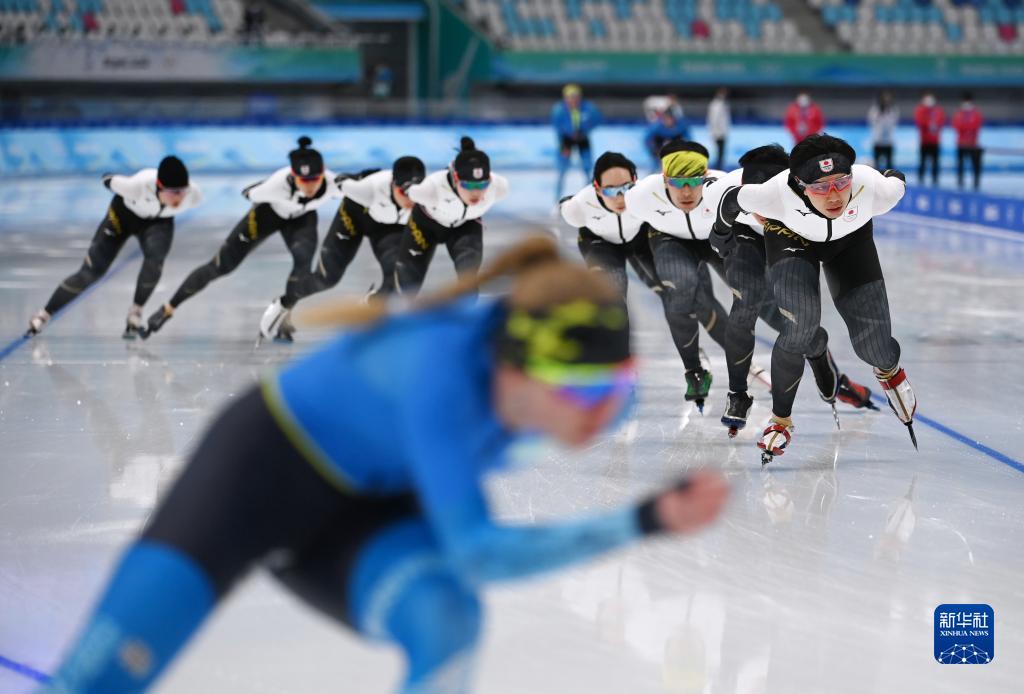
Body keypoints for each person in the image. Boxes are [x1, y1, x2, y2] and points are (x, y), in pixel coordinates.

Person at [41, 237, 730, 694]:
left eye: (613, 388)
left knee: (447, 619)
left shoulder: (587, 390)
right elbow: (480, 553)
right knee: (98, 681)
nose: (598, 414)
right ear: (515, 371)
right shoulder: (440, 378)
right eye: (578, 392)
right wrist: (644, 520)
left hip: (369, 504)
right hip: (257, 475)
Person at [710, 133, 918, 463]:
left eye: (841, 183)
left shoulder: (873, 188)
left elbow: (896, 180)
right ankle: (780, 420)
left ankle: (890, 370)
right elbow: (730, 200)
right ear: (800, 184)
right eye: (820, 187)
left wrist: (890, 175)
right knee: (800, 325)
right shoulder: (774, 193)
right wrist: (720, 235)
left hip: (850, 241)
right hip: (791, 238)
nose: (834, 195)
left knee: (873, 347)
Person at [700, 144, 876, 436]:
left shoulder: (803, 196)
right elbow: (706, 191)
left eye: (764, 200)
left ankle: (825, 366)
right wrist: (719, 232)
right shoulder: (722, 192)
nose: (761, 211)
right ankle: (737, 394)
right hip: (743, 234)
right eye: (753, 200)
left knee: (798, 326)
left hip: (788, 232)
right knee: (745, 300)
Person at [560, 151, 730, 412]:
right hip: (600, 244)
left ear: (636, 183)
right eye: (611, 190)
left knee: (678, 294)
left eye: (626, 188)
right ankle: (619, 368)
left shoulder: (645, 197)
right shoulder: (579, 207)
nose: (620, 197)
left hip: (640, 239)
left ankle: (697, 366)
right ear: (596, 188)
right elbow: (566, 207)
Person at [141, 137, 341, 341]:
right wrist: (268, 191)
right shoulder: (277, 185)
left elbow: (355, 188)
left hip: (302, 218)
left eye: (315, 179)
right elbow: (248, 193)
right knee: (221, 266)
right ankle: (168, 308)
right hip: (267, 215)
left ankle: (282, 315)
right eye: (304, 180)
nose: (310, 186)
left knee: (303, 262)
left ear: (323, 173)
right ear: (293, 176)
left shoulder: (334, 184)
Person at [25, 156, 201, 339]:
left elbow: (182, 193)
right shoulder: (136, 186)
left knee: (155, 260)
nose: (180, 198)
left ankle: (136, 311)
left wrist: (178, 193)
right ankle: (44, 314)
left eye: (183, 191)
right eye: (174, 192)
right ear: (159, 185)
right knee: (91, 273)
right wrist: (115, 180)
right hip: (122, 217)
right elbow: (107, 178)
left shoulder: (193, 195)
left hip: (158, 223)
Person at [257, 156, 426, 340]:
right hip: (355, 217)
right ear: (393, 185)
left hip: (388, 228)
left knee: (399, 276)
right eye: (404, 192)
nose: (410, 200)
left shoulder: (428, 197)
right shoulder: (369, 188)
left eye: (414, 194)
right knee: (326, 278)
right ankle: (283, 304)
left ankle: (369, 307)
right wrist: (357, 177)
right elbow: (340, 180)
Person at [393, 137, 508, 298]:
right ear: (455, 178)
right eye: (468, 185)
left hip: (465, 226)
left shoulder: (498, 187)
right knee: (407, 283)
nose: (476, 192)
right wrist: (407, 188)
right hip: (426, 226)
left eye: (482, 185)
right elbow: (409, 191)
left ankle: (467, 313)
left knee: (468, 279)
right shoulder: (431, 189)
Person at [552, 83, 601, 200]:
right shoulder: (559, 110)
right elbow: (557, 126)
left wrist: (584, 130)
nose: (573, 100)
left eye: (576, 97)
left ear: (580, 97)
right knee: (562, 170)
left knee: (587, 168)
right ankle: (557, 199)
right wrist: (567, 137)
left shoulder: (588, 108)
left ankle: (590, 198)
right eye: (570, 97)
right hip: (566, 140)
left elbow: (598, 119)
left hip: (582, 139)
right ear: (565, 98)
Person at [952, 93, 983, 190]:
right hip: (961, 144)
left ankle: (976, 183)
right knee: (960, 164)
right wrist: (967, 127)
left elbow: (977, 125)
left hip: (973, 144)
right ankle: (960, 182)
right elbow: (957, 125)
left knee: (975, 164)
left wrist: (968, 128)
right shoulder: (959, 114)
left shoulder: (976, 114)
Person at [644, 106, 690, 171]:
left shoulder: (681, 126)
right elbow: (647, 140)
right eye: (665, 119)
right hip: (659, 146)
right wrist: (654, 151)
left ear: (674, 119)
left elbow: (689, 139)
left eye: (670, 119)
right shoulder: (656, 127)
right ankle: (656, 168)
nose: (668, 121)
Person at [914, 93, 945, 186]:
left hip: (935, 141)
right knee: (922, 161)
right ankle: (921, 179)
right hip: (924, 141)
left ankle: (935, 180)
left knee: (935, 162)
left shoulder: (938, 111)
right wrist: (929, 122)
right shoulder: (921, 110)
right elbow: (919, 122)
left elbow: (941, 121)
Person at [867, 92, 899, 171]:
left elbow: (894, 122)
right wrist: (880, 115)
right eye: (885, 99)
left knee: (889, 166)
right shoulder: (875, 111)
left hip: (888, 142)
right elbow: (871, 122)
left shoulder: (893, 110)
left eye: (888, 99)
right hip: (878, 141)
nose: (886, 101)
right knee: (877, 165)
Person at [706, 88, 731, 170]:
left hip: (721, 132)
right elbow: (714, 119)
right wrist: (716, 132)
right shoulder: (716, 104)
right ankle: (718, 168)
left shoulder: (723, 103)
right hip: (718, 132)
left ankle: (719, 167)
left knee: (721, 152)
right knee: (719, 151)